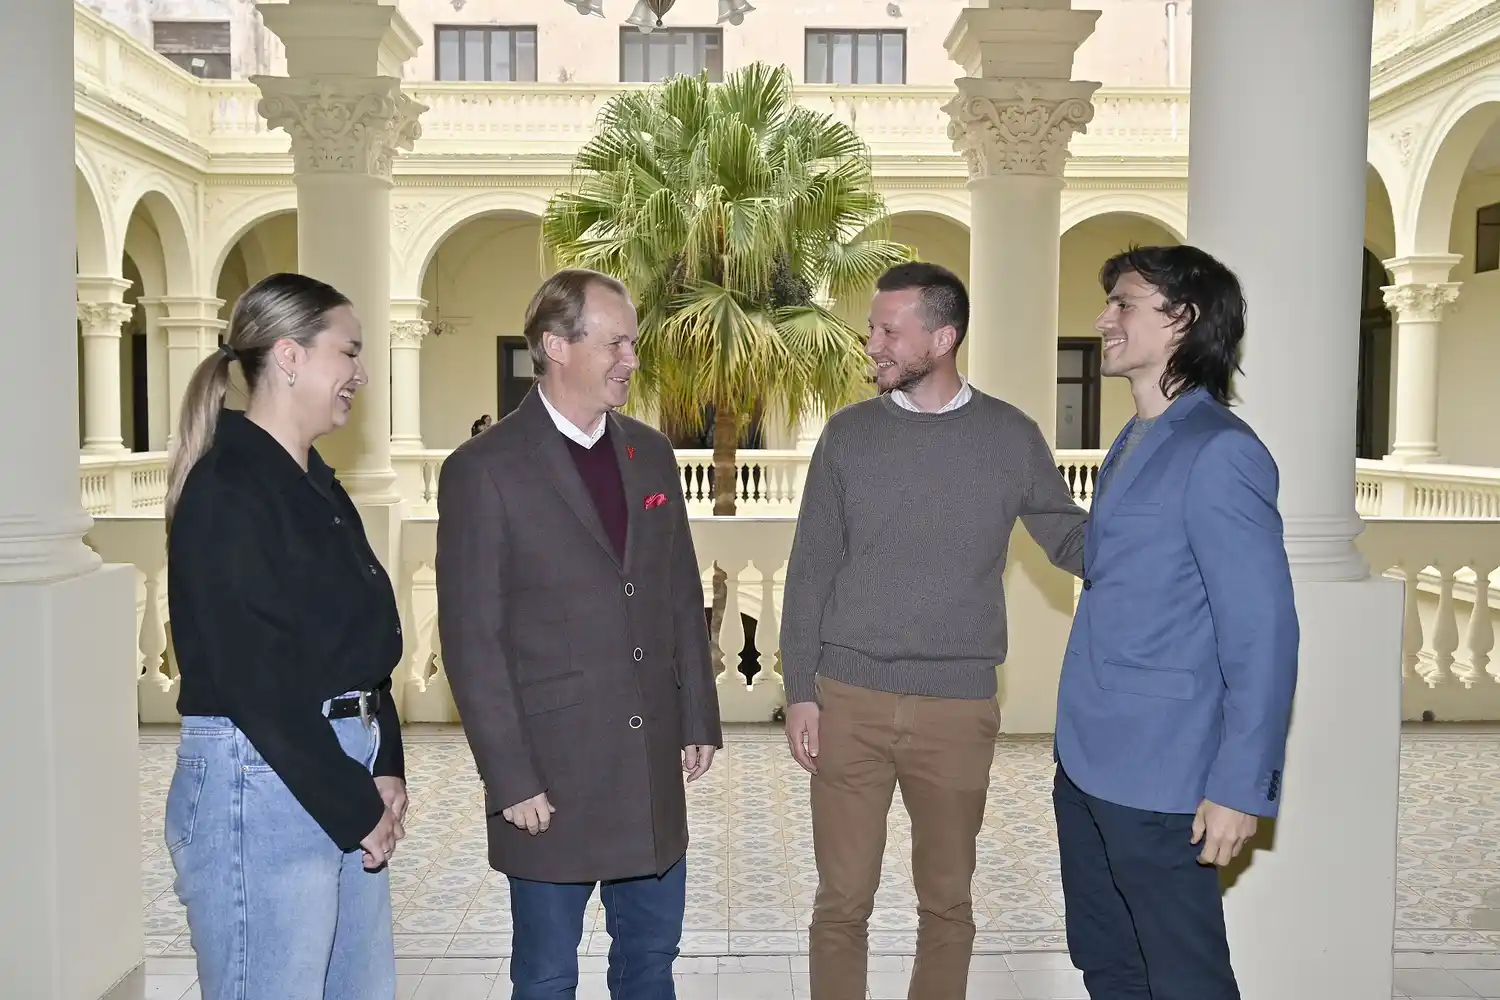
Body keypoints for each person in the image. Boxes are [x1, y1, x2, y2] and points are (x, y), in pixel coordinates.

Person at [779, 261, 1089, 1000]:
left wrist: (1171, 531)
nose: (872, 342)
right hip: (848, 699)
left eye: (890, 329)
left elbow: (1073, 543)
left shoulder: (1010, 437)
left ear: (943, 337)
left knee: (947, 902)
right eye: (873, 327)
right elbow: (810, 570)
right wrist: (800, 691)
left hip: (957, 710)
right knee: (841, 903)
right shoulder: (848, 436)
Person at [435, 268, 722, 999]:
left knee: (651, 962)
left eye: (633, 342)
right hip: (549, 783)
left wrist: (697, 716)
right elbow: (473, 640)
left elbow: (679, 593)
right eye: (616, 342)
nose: (631, 358)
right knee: (546, 975)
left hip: (651, 770)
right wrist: (511, 778)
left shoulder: (651, 454)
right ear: (556, 345)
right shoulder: (483, 469)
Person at [1053, 245, 1299, 999]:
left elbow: (1263, 633)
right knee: (1110, 963)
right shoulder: (1133, 439)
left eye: (1122, 303)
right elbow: (1116, 567)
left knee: (1185, 977)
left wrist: (1239, 787)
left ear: (1183, 320)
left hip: (1165, 780)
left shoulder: (1220, 451)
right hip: (1087, 763)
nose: (1103, 320)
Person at [163, 272, 408, 1000]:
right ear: (290, 355)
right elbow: (254, 682)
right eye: (349, 352)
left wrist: (384, 762)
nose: (360, 374)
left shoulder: (315, 485)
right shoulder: (228, 487)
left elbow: (366, 647)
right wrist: (354, 804)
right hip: (262, 780)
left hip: (330, 770)